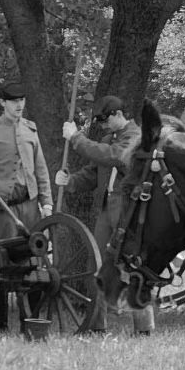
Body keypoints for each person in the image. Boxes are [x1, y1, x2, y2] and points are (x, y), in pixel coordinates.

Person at [56, 95, 155, 335]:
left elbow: (111, 156)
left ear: (117, 115)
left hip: (128, 208)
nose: (102, 126)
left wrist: (76, 138)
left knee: (133, 266)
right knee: (97, 265)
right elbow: (93, 174)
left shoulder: (136, 137)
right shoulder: (108, 138)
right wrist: (70, 181)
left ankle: (143, 329)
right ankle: (97, 325)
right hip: (106, 209)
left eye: (103, 121)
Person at [0, 82, 54, 331]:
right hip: (1, 209)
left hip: (29, 207)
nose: (19, 105)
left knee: (33, 263)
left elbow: (41, 170)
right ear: (3, 103)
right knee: (1, 265)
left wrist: (46, 203)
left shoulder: (31, 130)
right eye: (14, 101)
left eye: (22, 101)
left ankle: (31, 321)